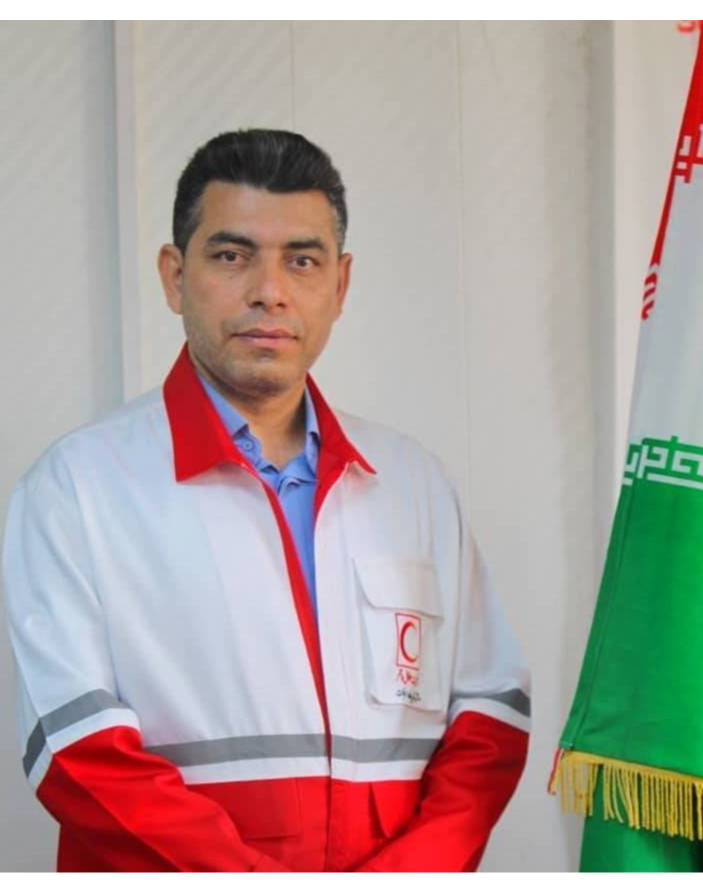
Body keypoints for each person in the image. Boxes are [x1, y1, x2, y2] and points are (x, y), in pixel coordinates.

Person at [2, 129, 531, 872]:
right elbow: (76, 754)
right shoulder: (77, 489)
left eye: (302, 261)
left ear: (339, 285)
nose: (269, 291)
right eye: (231, 255)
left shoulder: (415, 485)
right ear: (173, 276)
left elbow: (490, 717)